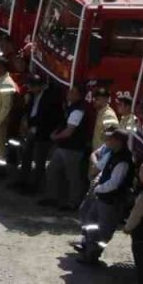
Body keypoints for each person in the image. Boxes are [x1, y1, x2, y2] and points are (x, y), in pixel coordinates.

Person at [74, 128, 132, 264]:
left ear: (118, 141)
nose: (107, 142)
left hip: (111, 202)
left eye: (110, 139)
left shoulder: (123, 160)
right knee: (90, 222)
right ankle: (88, 250)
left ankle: (93, 255)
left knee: (103, 232)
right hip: (102, 198)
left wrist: (98, 188)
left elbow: (114, 183)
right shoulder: (113, 154)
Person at [43, 83, 93, 211]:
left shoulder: (77, 110)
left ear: (78, 95)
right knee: (52, 169)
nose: (68, 94)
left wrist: (55, 137)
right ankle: (52, 197)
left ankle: (73, 203)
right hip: (64, 147)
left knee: (73, 177)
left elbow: (69, 131)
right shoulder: (72, 108)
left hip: (73, 148)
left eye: (72, 92)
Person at [13, 76, 61, 193]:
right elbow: (29, 110)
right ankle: (23, 180)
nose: (30, 89)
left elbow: (45, 117)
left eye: (31, 87)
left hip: (43, 133)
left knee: (39, 161)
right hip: (32, 130)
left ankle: (35, 186)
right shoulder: (32, 95)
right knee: (26, 156)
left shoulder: (50, 98)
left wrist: (30, 123)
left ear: (39, 86)